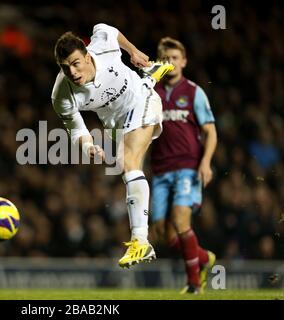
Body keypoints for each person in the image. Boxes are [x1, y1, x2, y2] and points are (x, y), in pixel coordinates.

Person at [51, 23, 174, 268]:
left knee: (129, 164)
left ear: (87, 56)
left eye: (76, 63)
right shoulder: (62, 94)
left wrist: (133, 51)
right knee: (124, 165)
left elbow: (106, 28)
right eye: (66, 68)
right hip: (116, 122)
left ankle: (141, 241)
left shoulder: (103, 47)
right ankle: (150, 77)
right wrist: (88, 147)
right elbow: (77, 130)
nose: (73, 72)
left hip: (140, 101)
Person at [150, 37, 217, 293]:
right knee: (163, 233)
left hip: (188, 168)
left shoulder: (194, 92)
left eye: (175, 58)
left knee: (180, 220)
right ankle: (203, 259)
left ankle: (193, 284)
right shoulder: (152, 93)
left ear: (184, 61)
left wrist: (206, 163)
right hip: (160, 171)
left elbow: (210, 131)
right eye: (166, 59)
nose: (171, 63)